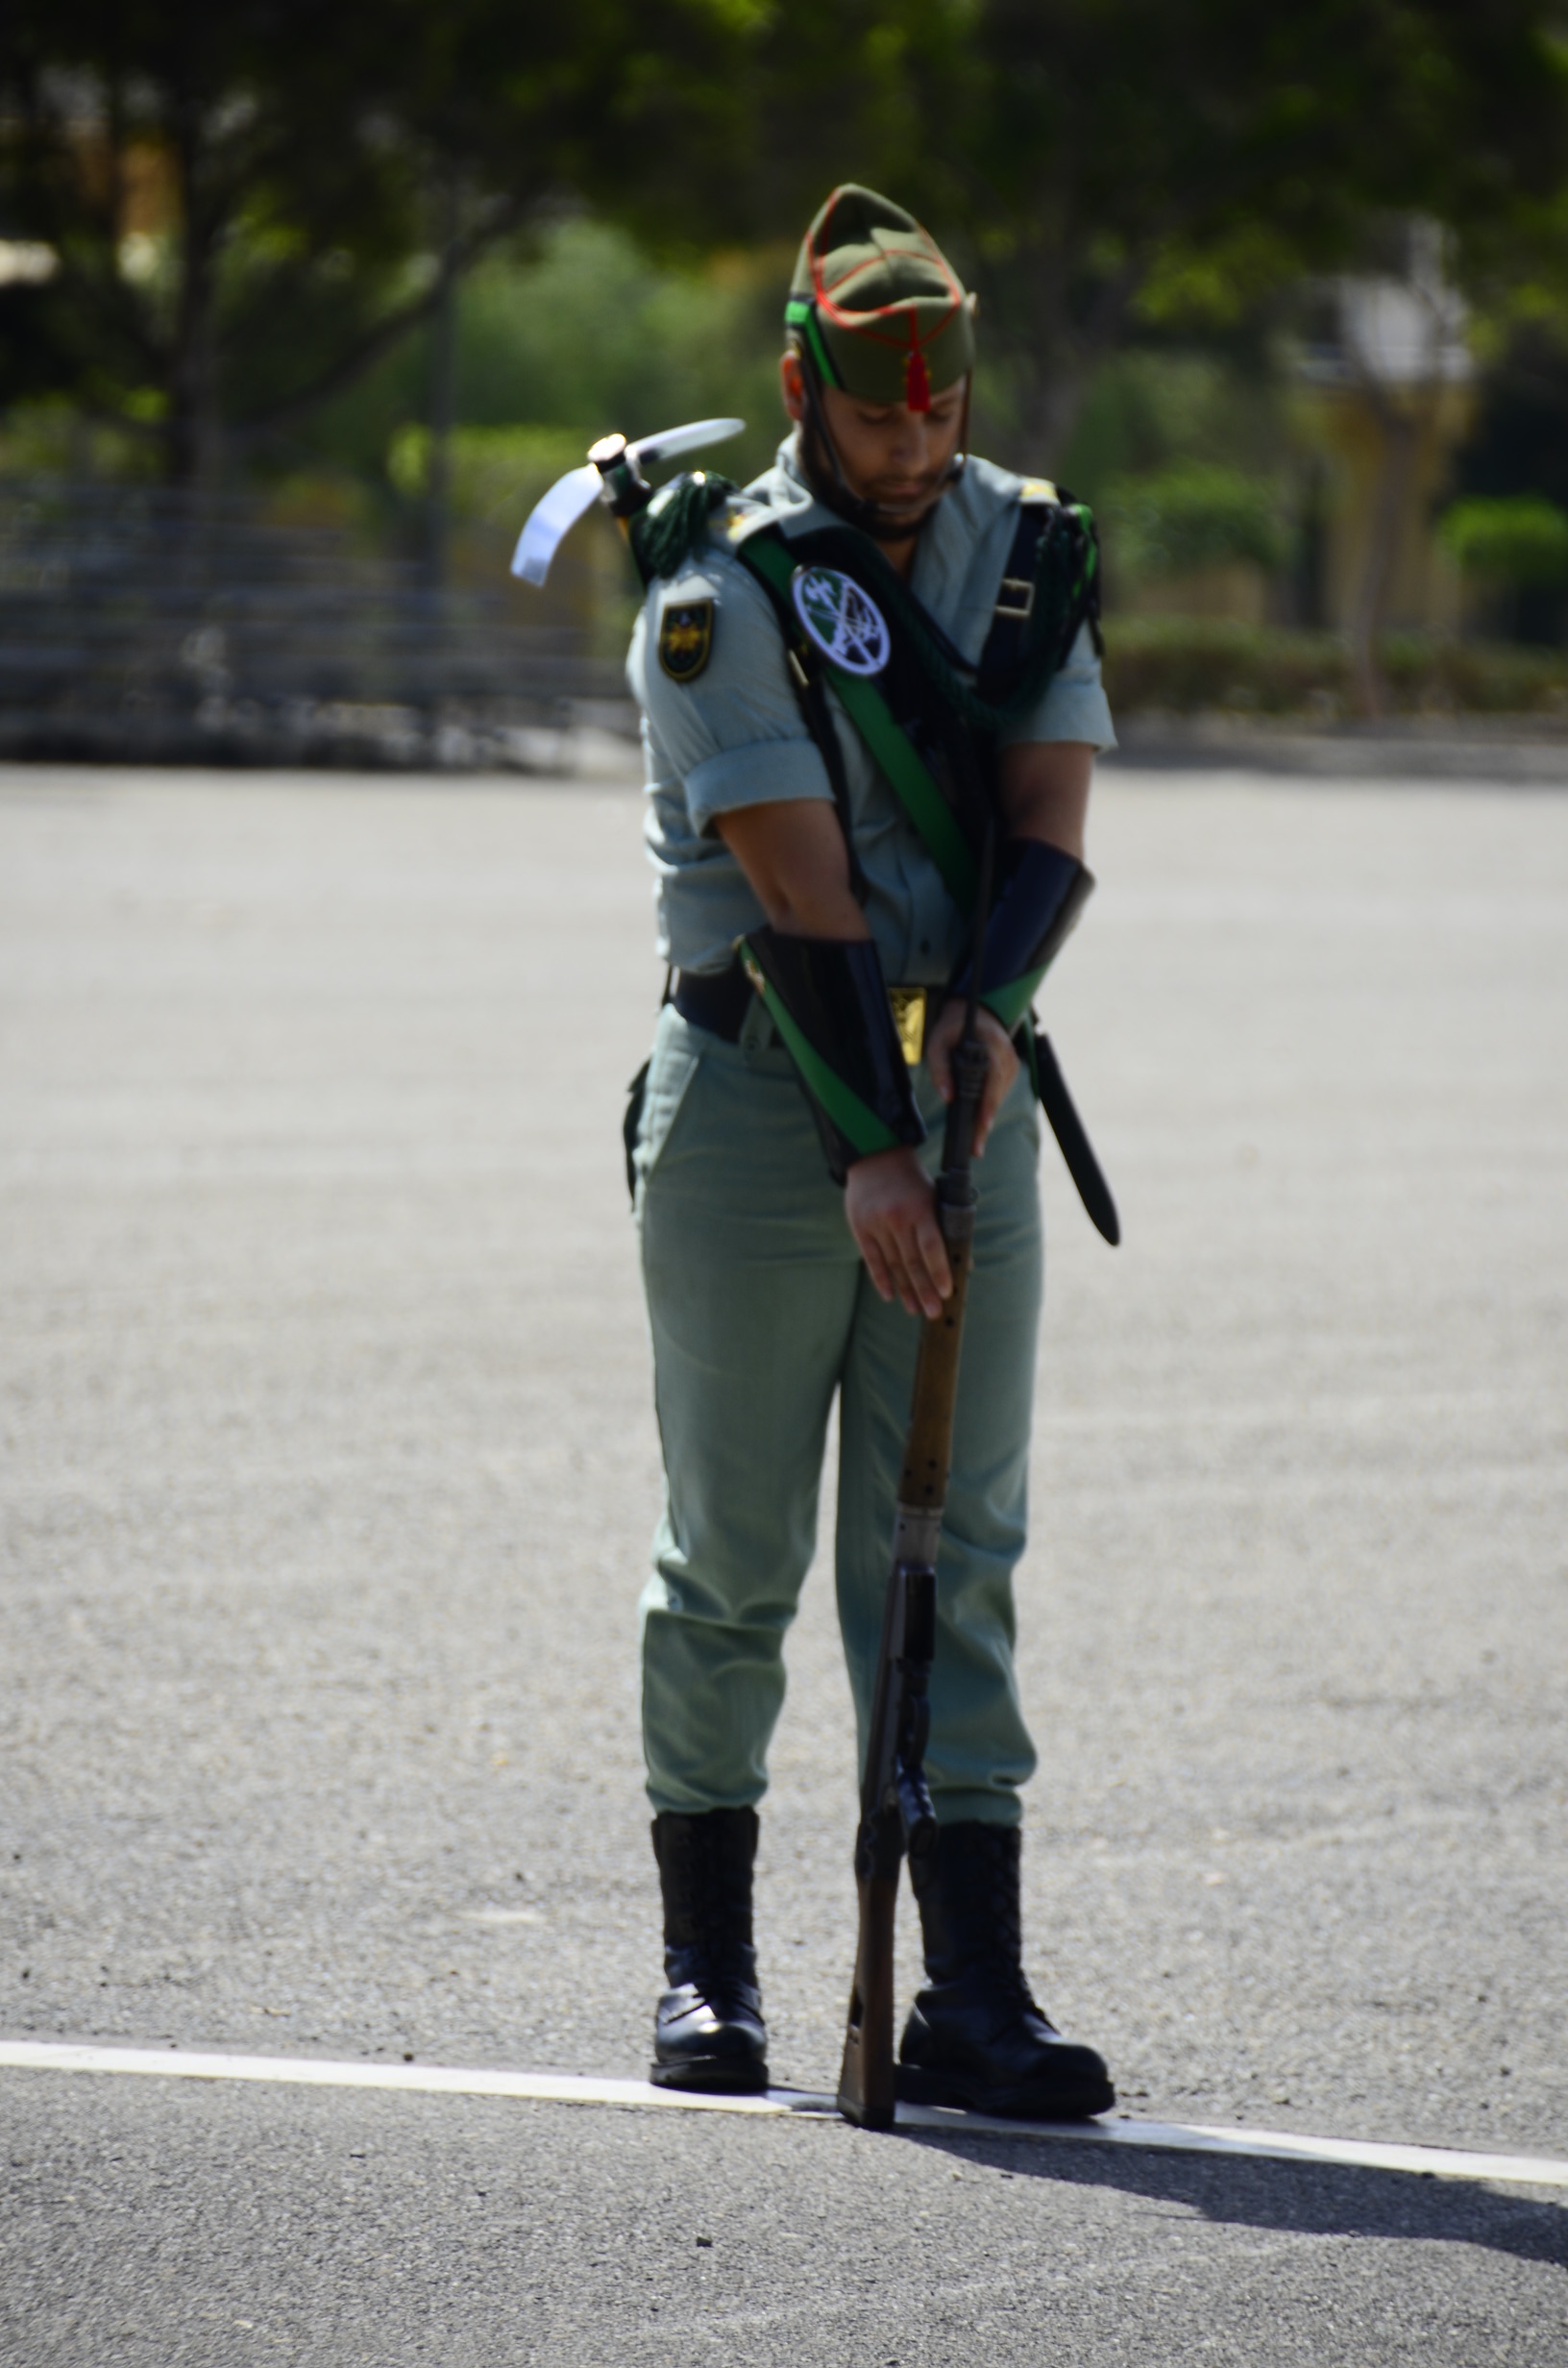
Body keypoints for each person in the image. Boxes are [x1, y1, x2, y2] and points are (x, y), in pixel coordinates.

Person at [625, 184, 1116, 2119]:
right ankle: (709, 1969)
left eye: (939, 409)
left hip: (967, 1085)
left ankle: (972, 1991)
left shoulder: (1027, 547)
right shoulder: (717, 584)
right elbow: (796, 889)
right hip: (769, 1098)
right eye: (871, 412)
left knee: (952, 1550)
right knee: (733, 1554)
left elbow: (1050, 816)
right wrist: (874, 1151)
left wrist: (986, 1020)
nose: (910, 447)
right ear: (798, 391)